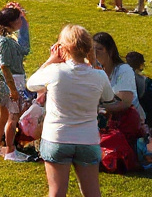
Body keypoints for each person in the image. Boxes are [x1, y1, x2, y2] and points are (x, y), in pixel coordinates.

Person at [25, 25, 113, 197]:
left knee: (57, 192)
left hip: (57, 137)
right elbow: (109, 97)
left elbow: (31, 84)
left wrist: (50, 60)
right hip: (87, 139)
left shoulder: (54, 71)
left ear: (62, 48)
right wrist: (94, 62)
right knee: (92, 193)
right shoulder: (99, 75)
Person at [0, 4, 31, 161]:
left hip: (2, 82)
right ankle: (10, 151)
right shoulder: (5, 41)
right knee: (12, 117)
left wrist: (23, 19)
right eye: (18, 19)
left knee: (2, 117)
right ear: (11, 22)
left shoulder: (2, 36)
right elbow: (4, 65)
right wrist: (13, 89)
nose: (20, 21)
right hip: (10, 82)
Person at [92, 32, 145, 164]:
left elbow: (125, 103)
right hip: (106, 120)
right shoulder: (95, 70)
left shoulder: (123, 70)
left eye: (99, 49)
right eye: (92, 49)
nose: (95, 53)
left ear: (110, 51)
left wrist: (97, 108)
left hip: (126, 122)